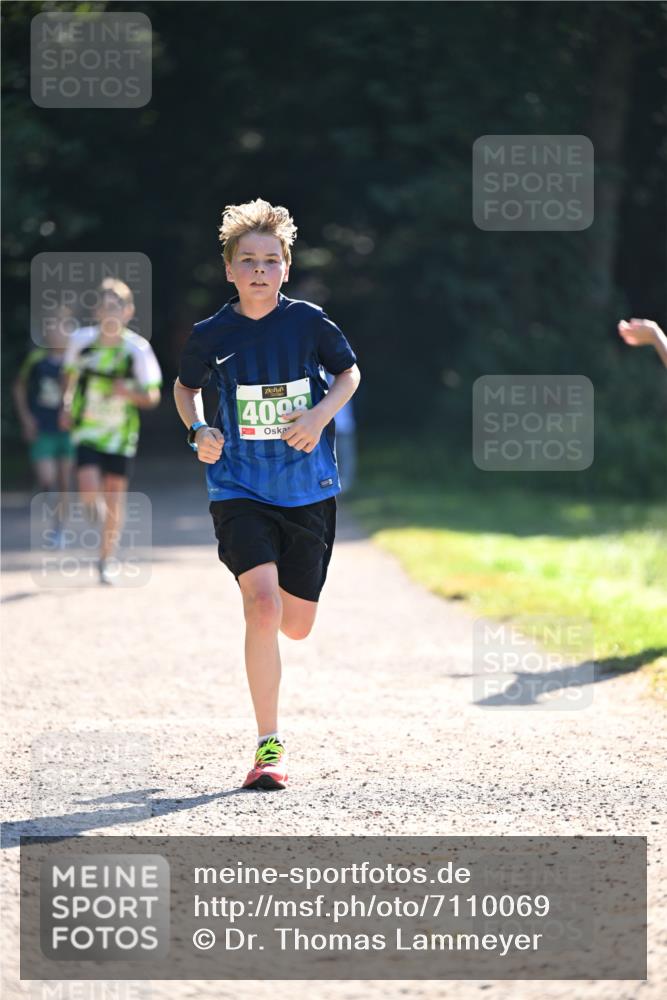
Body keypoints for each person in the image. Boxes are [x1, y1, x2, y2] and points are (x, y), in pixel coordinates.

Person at [173, 198, 361, 791]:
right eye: (248, 260)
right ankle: (268, 746)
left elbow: (349, 374)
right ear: (229, 269)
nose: (259, 269)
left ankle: (280, 605)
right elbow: (185, 389)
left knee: (296, 625)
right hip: (239, 486)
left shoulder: (309, 322)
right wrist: (199, 429)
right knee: (262, 606)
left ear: (286, 267)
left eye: (271, 260)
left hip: (306, 489)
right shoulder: (211, 334)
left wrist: (319, 416)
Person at [59, 278, 162, 585]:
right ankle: (103, 522)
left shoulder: (137, 350)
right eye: (105, 307)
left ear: (128, 311)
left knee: (115, 497)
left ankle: (106, 560)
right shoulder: (81, 341)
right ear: (97, 312)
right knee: (88, 489)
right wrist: (65, 405)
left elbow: (152, 396)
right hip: (87, 430)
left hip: (121, 435)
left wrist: (127, 392)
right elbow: (69, 377)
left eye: (116, 307)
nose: (110, 313)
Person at [13, 305, 76, 543]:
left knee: (64, 481)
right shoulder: (36, 360)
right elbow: (18, 388)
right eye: (51, 327)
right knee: (47, 479)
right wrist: (26, 418)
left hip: (68, 430)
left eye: (61, 326)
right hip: (42, 428)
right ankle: (51, 514)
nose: (56, 332)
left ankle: (60, 528)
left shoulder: (75, 359)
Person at [325, 369, 357, 493]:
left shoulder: (347, 374)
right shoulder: (317, 376)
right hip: (324, 427)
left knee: (345, 463)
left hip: (344, 426)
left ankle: (343, 493)